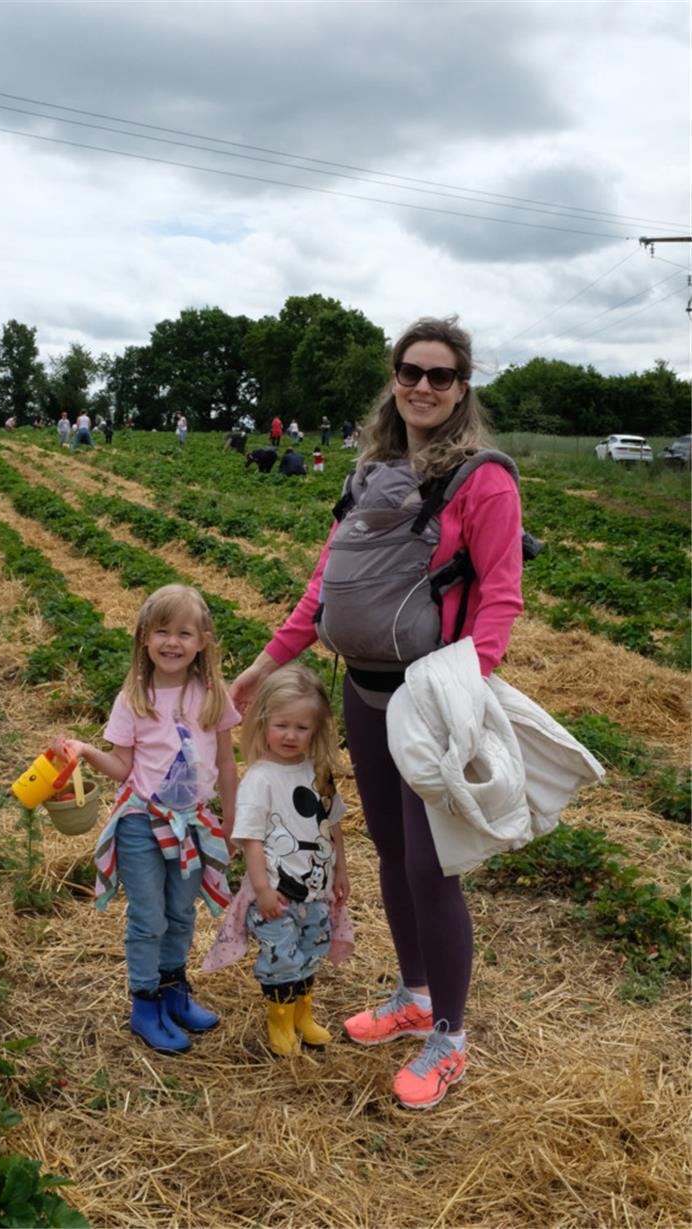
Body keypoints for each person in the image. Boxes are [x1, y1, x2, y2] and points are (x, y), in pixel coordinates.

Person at [230, 315, 524, 1110]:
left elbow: (500, 595)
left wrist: (465, 685)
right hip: (365, 690)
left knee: (433, 869)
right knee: (394, 852)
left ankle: (450, 1037)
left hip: (431, 699)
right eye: (411, 371)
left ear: (463, 387)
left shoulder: (482, 479)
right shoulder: (371, 471)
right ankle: (415, 994)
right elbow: (324, 583)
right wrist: (265, 663)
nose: (423, 386)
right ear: (395, 378)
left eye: (440, 375)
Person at [54, 584, 239, 1055]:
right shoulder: (134, 699)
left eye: (183, 632)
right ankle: (145, 1002)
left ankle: (175, 992)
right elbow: (122, 768)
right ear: (143, 639)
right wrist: (85, 750)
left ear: (202, 641)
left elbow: (227, 765)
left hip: (194, 823)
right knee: (149, 917)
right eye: (161, 631)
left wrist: (233, 825)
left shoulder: (212, 696)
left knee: (181, 912)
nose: (172, 642)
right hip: (141, 821)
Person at [205, 666, 350, 1056]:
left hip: (315, 889)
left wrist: (341, 869)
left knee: (310, 951)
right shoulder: (261, 779)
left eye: (302, 727)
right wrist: (264, 890)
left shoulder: (318, 772)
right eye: (282, 725)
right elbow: (251, 840)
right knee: (280, 957)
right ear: (263, 723)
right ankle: (280, 1021)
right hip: (276, 894)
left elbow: (331, 825)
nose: (290, 736)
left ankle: (303, 1014)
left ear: (317, 730)